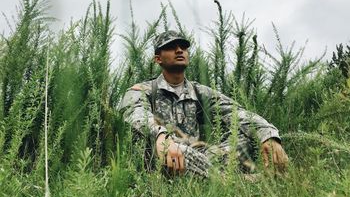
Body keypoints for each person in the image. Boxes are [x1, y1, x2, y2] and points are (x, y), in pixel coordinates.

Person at [120, 30, 288, 177]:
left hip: (199, 158)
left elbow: (236, 113)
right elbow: (134, 113)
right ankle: (234, 182)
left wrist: (269, 136)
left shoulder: (199, 91)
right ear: (158, 58)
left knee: (246, 134)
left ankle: (210, 178)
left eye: (183, 47)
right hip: (162, 159)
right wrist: (162, 137)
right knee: (179, 151)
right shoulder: (143, 89)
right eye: (171, 47)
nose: (179, 50)